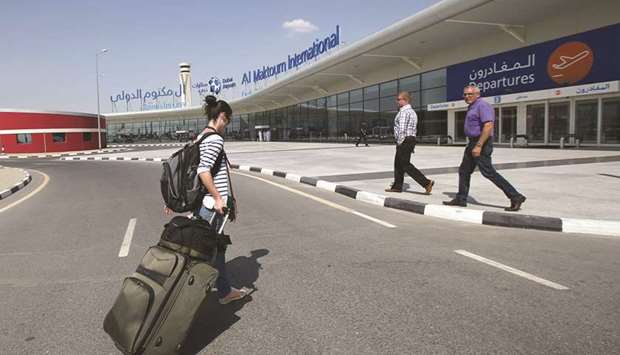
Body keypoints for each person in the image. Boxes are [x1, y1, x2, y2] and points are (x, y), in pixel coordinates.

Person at [165, 95, 250, 305]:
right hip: (212, 206)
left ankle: (222, 289)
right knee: (204, 249)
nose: (227, 126)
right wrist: (219, 198)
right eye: (227, 121)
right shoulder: (214, 139)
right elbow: (203, 171)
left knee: (216, 246)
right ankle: (184, 292)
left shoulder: (201, 136)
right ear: (222, 116)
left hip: (206, 203)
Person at [443, 85, 526, 211]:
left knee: (488, 172)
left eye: (470, 94)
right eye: (465, 94)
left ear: (477, 94)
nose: (467, 96)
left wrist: (479, 145)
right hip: (472, 142)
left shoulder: (482, 105)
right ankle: (461, 199)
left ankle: (515, 196)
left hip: (481, 142)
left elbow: (488, 126)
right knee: (464, 171)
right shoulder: (472, 106)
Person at [385, 92, 434, 194]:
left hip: (405, 140)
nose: (397, 101)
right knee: (398, 164)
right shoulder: (412, 112)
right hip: (410, 139)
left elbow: (402, 129)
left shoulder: (404, 112)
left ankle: (426, 183)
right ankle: (397, 186)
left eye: (399, 99)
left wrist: (399, 142)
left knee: (405, 164)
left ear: (405, 100)